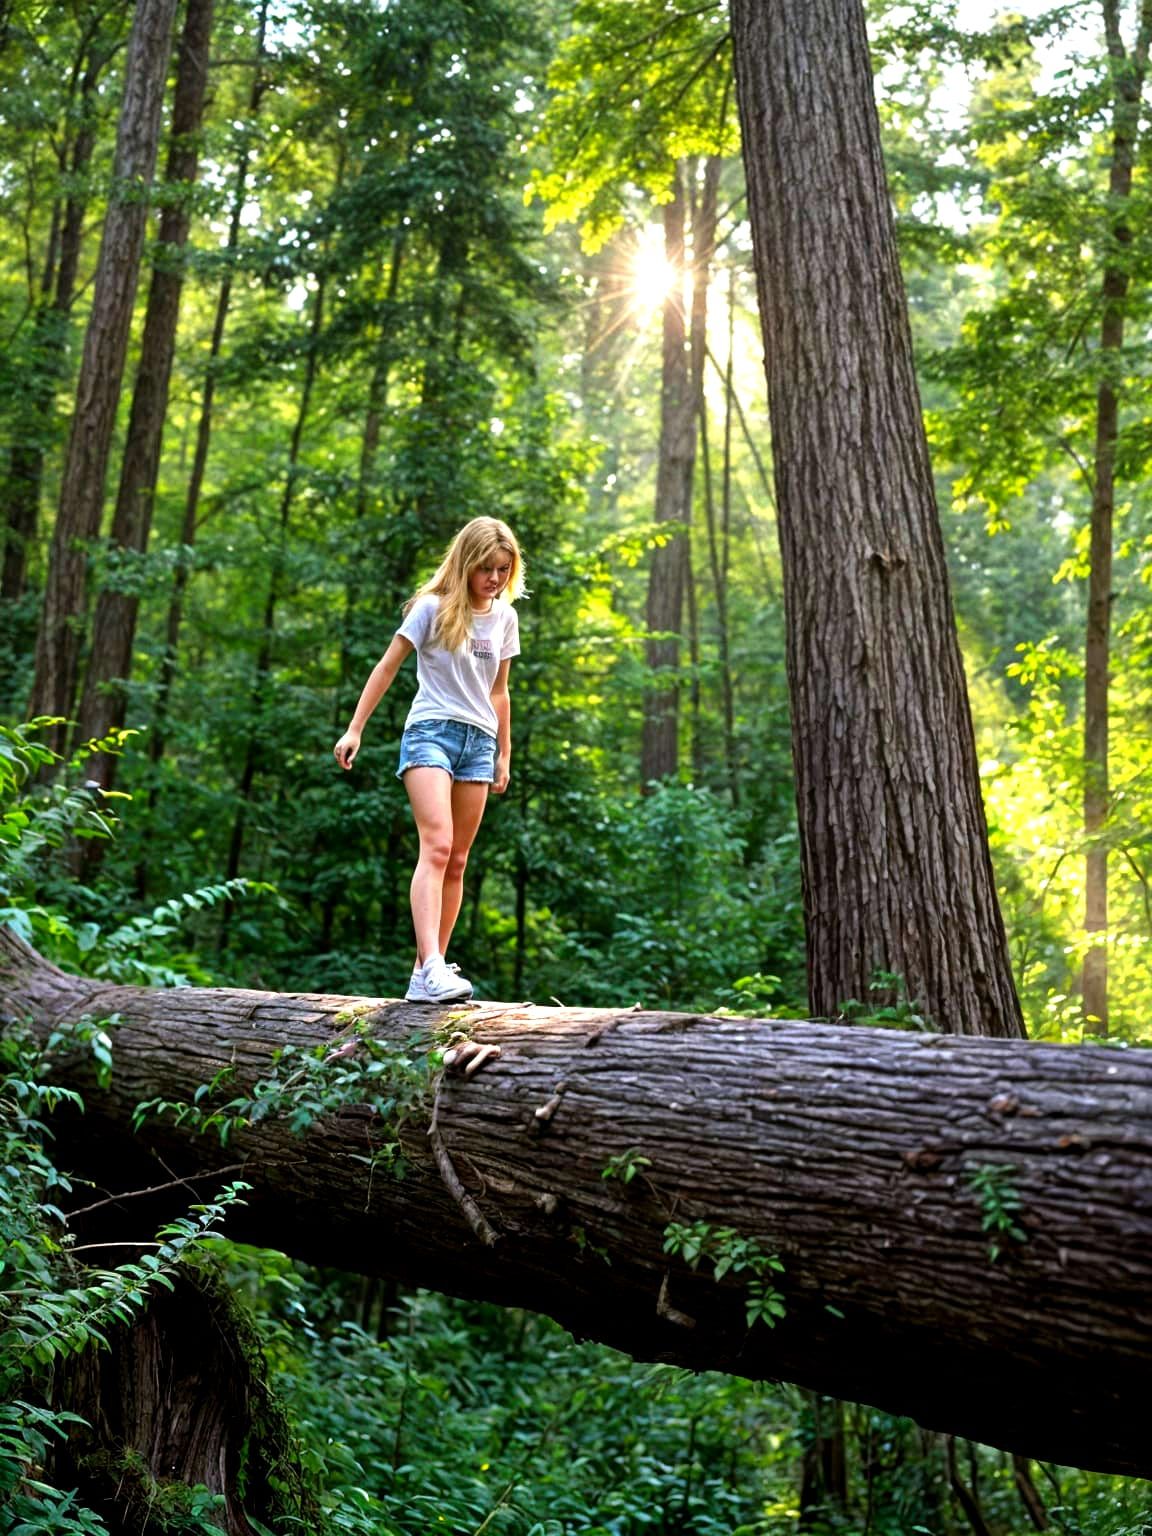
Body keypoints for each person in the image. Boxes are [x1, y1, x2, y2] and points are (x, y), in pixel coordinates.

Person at [334, 517, 523, 1003]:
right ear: (465, 562)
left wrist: (504, 751)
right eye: (486, 568)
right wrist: (356, 728)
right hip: (430, 734)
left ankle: (425, 972)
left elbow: (499, 692)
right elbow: (388, 665)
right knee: (436, 845)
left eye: (503, 569)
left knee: (458, 860)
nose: (495, 579)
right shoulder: (431, 609)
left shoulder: (504, 618)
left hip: (479, 743)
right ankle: (433, 966)